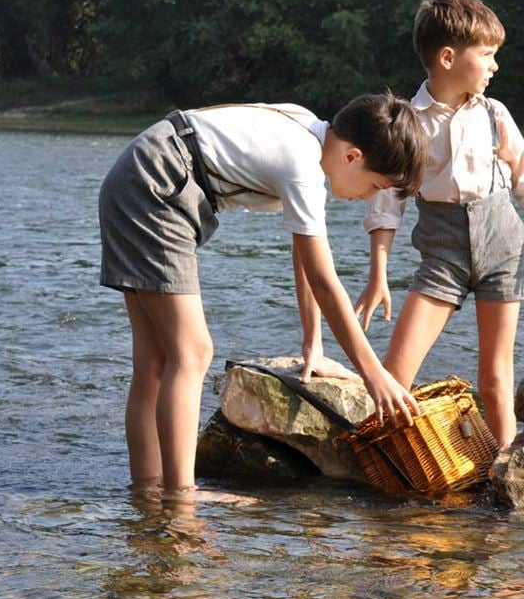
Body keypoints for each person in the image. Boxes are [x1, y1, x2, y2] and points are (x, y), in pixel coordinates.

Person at [99, 94, 427, 495]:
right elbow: (325, 281)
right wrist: (375, 376)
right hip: (158, 184)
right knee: (193, 351)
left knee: (155, 361)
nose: (370, 197)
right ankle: (181, 503)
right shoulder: (302, 165)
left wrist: (314, 344)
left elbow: (304, 257)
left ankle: (149, 494)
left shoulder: (308, 132)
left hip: (142, 171)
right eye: (376, 185)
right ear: (353, 156)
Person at [354, 0, 524, 449]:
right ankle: (392, 463)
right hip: (442, 256)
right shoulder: (409, 124)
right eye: (487, 55)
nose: (494, 66)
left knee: (494, 378)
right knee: (395, 373)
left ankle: (505, 472)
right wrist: (378, 276)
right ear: (448, 57)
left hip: (501, 249)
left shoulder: (495, 114)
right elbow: (387, 205)